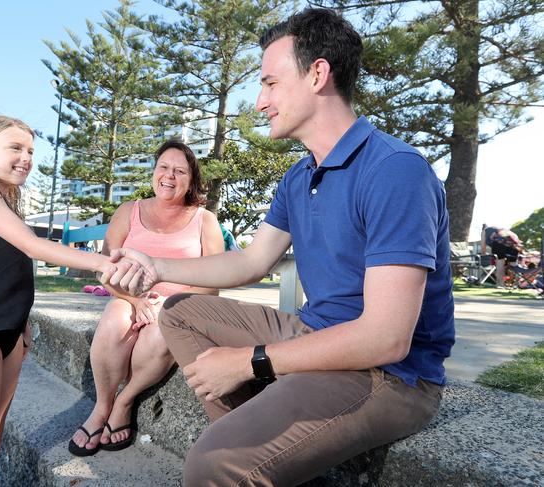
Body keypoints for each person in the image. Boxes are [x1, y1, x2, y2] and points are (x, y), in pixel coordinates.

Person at [105, 8, 455, 486]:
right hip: (313, 330)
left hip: (389, 375)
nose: (259, 102)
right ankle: (263, 441)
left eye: (270, 83)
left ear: (317, 73)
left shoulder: (395, 170)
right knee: (181, 312)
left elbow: (385, 338)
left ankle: (242, 452)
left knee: (212, 463)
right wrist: (153, 264)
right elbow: (251, 261)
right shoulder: (300, 175)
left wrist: (250, 361)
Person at [0, 114, 117, 487]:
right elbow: (31, 245)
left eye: (31, 151)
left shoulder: (5, 199)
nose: (26, 157)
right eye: (15, 148)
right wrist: (102, 262)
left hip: (9, 332)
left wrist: (21, 322)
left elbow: (8, 269)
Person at [68, 140, 224, 456]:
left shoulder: (204, 220)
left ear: (191, 179)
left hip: (179, 306)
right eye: (163, 167)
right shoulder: (129, 211)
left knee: (159, 334)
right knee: (114, 320)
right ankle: (102, 406)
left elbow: (214, 280)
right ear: (154, 172)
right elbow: (105, 268)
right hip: (129, 296)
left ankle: (125, 401)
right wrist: (135, 300)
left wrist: (166, 304)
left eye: (180, 171)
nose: (170, 176)